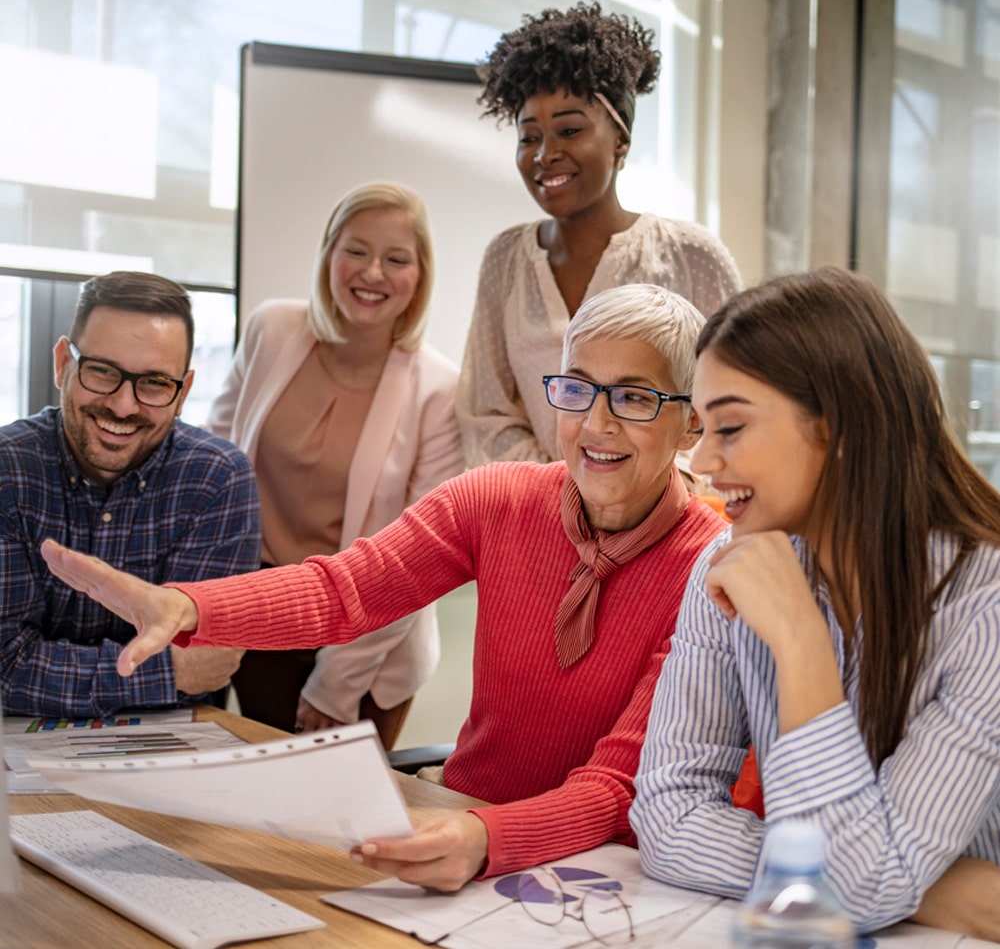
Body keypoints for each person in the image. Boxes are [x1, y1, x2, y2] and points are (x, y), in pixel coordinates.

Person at [41, 283, 740, 891]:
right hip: (459, 827)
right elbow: (343, 591)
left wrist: (486, 839)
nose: (597, 421)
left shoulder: (711, 570)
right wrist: (190, 606)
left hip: (600, 873)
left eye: (636, 398)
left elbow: (619, 786)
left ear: (690, 422)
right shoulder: (498, 499)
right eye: (577, 386)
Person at [628, 267, 1000, 937]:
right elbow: (666, 818)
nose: (703, 461)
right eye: (700, 428)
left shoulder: (986, 604)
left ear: (837, 427)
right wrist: (914, 887)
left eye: (731, 427)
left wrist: (801, 643)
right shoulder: (728, 569)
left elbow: (859, 892)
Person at [206, 181, 463, 746]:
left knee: (341, 824)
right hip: (262, 618)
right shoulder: (271, 328)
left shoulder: (440, 389)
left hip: (371, 643)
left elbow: (418, 557)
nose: (373, 273)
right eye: (356, 250)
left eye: (396, 259)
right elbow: (212, 467)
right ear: (328, 252)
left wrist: (337, 683)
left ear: (420, 277)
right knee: (257, 812)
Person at [456, 0, 742, 468]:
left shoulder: (691, 256)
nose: (545, 154)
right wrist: (570, 493)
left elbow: (730, 404)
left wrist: (639, 498)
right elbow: (486, 413)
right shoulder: (506, 259)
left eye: (569, 130)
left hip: (669, 523)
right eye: (529, 137)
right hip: (539, 519)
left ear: (621, 141)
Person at [0, 271, 259, 718]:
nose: (123, 406)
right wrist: (168, 673)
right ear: (64, 364)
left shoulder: (218, 479)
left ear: (183, 393)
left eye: (155, 383)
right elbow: (6, 665)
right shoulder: (7, 470)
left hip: (168, 751)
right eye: (102, 371)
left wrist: (54, 670)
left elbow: (210, 663)